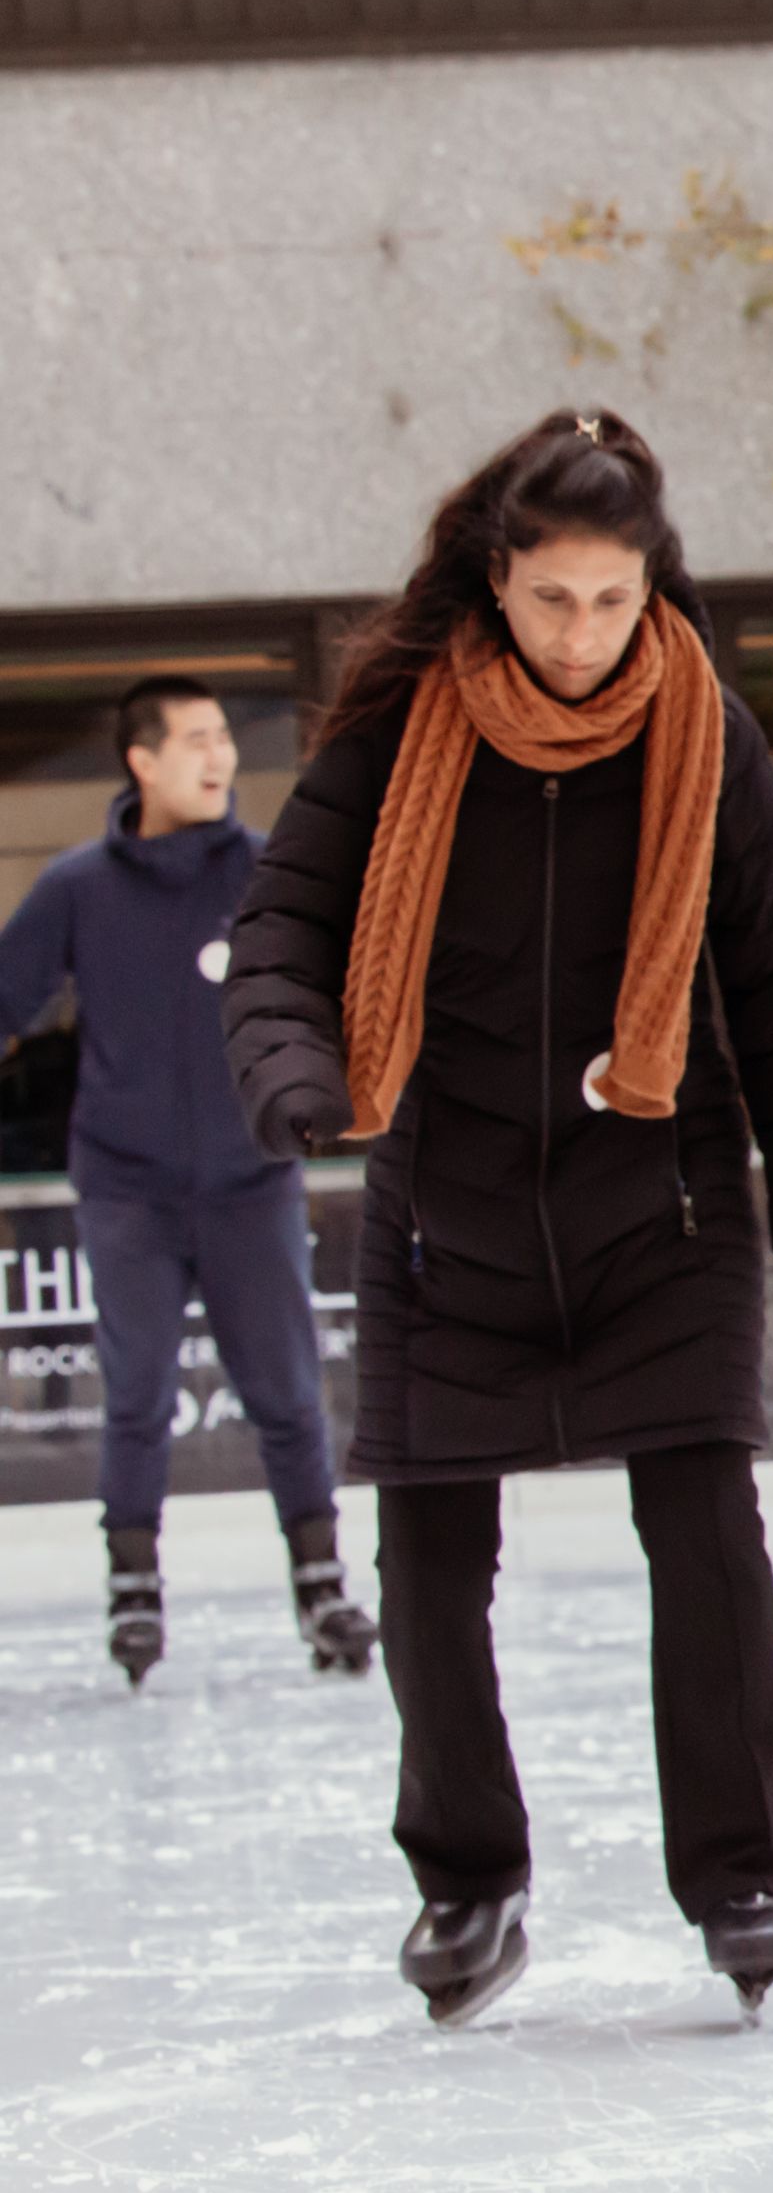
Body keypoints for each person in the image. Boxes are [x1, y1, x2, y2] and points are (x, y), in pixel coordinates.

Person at [224, 412, 773, 2029]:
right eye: (553, 602)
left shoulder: (704, 734)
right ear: (494, 581)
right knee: (430, 1561)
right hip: (445, 1206)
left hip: (658, 1197)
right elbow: (283, 931)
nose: (583, 636)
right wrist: (302, 1077)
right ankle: (466, 1879)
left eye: (612, 599)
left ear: (651, 584)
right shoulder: (401, 733)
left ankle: (738, 1874)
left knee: (708, 1536)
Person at [0, 678, 360, 1687]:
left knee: (287, 1389)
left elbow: (344, 990)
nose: (220, 758)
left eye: (224, 740)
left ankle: (324, 1584)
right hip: (128, 1189)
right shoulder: (79, 887)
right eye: (196, 739)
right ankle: (135, 1589)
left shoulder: (267, 872)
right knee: (139, 1393)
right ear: (142, 760)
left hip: (251, 1180)